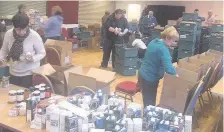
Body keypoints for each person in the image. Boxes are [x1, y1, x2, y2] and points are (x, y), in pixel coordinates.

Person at [0, 14, 46, 88]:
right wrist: (1, 58)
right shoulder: (8, 34)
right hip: (13, 72)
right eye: (18, 29)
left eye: (23, 29)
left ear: (27, 26)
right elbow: (4, 50)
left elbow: (42, 53)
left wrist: (33, 58)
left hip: (29, 73)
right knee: (14, 95)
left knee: (26, 95)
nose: (21, 32)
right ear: (13, 26)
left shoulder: (34, 36)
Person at [138, 26, 179, 107]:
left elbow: (153, 56)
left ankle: (146, 115)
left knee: (146, 100)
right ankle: (147, 118)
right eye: (173, 41)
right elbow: (169, 69)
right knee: (150, 104)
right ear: (167, 37)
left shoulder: (154, 41)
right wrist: (176, 75)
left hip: (142, 74)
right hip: (150, 79)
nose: (173, 44)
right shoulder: (163, 49)